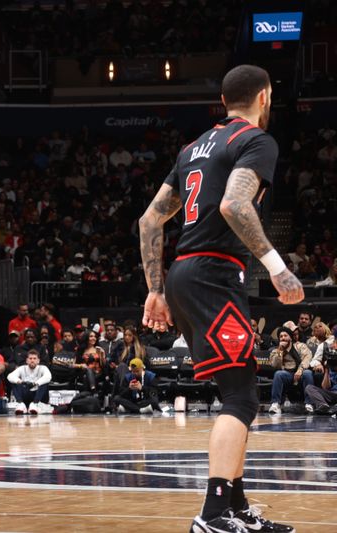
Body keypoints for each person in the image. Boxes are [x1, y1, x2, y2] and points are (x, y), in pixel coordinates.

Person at [139, 66, 300, 532]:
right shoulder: (254, 141)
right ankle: (212, 513)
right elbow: (233, 204)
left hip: (186, 274)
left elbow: (150, 221)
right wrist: (277, 267)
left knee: (240, 389)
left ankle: (235, 508)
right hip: (212, 272)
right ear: (265, 97)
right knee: (241, 398)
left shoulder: (193, 147)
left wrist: (155, 288)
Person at [268, 326, 315, 414]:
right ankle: (275, 404)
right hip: (287, 375)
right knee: (278, 374)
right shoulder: (275, 351)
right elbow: (275, 365)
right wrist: (280, 351)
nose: (283, 338)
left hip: (300, 373)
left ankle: (309, 404)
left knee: (308, 373)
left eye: (285, 335)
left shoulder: (300, 346)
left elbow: (307, 358)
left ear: (290, 337)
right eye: (281, 336)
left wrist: (300, 370)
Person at [7, 350, 52, 415]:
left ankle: (35, 404)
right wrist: (21, 382)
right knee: (14, 381)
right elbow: (10, 376)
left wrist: (35, 383)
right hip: (25, 393)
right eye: (30, 358)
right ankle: (21, 404)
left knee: (45, 382)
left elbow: (48, 377)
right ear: (27, 360)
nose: (32, 360)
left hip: (38, 394)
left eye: (34, 358)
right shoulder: (22, 368)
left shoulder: (43, 368)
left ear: (38, 361)